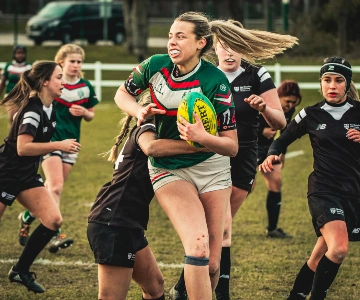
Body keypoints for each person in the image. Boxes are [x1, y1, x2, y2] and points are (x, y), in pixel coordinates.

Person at [114, 11, 245, 300]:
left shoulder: (215, 81)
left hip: (213, 169)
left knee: (212, 263)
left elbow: (232, 146)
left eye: (181, 36)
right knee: (197, 246)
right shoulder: (154, 66)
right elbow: (121, 94)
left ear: (201, 43)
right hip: (168, 168)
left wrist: (203, 138)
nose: (172, 41)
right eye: (171, 35)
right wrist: (138, 110)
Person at [171, 19, 298, 300]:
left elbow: (279, 121)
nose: (229, 53)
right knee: (213, 228)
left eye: (235, 47)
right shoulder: (204, 74)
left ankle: (186, 287)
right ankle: (205, 290)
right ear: (213, 47)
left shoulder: (256, 75)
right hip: (209, 157)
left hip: (243, 158)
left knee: (220, 227)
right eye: (223, 46)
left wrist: (264, 107)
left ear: (244, 49)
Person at [88, 91, 211, 300]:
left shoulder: (156, 131)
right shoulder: (147, 127)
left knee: (155, 286)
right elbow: (151, 148)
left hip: (129, 222)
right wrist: (201, 146)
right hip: (114, 222)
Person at [259, 57, 360, 300]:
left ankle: (296, 295)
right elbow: (281, 140)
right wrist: (272, 154)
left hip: (354, 192)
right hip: (323, 190)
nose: (332, 85)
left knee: (320, 254)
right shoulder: (311, 114)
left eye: (338, 80)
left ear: (347, 84)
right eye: (327, 80)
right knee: (338, 249)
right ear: (321, 84)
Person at [0, 60, 81, 293]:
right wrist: (60, 145)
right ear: (45, 82)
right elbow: (22, 148)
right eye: (58, 77)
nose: (63, 81)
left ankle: (20, 270)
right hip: (6, 175)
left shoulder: (50, 107)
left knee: (53, 220)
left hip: (26, 176)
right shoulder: (32, 111)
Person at [18, 44, 99, 253]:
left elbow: (91, 114)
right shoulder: (55, 84)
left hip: (71, 144)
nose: (76, 65)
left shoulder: (85, 86)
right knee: (56, 187)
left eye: (79, 61)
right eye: (72, 61)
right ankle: (55, 234)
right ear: (61, 62)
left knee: (52, 189)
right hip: (51, 140)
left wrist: (84, 113)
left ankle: (27, 217)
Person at [256, 80, 302, 238]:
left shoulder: (290, 110)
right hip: (251, 148)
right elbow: (243, 123)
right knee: (245, 188)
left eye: (293, 103)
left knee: (276, 182)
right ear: (278, 97)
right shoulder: (265, 103)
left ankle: (273, 229)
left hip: (269, 150)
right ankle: (219, 224)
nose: (290, 105)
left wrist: (282, 152)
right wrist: (261, 131)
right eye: (287, 101)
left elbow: (285, 132)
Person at [0, 45, 32, 126]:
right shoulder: (9, 66)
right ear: (14, 54)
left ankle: (20, 137)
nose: (20, 55)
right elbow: (3, 83)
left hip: (24, 96)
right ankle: (12, 138)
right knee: (12, 119)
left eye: (22, 53)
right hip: (11, 96)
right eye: (18, 53)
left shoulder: (29, 67)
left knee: (22, 119)